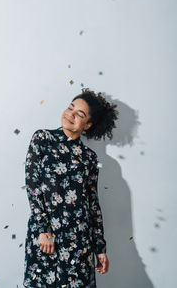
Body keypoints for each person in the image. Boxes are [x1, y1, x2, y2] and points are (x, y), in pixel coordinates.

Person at [23, 88, 119, 288]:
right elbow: (33, 187)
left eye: (80, 114)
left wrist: (99, 248)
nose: (71, 114)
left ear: (88, 124)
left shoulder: (90, 158)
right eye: (70, 107)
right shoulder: (42, 139)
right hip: (46, 238)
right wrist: (43, 229)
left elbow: (92, 204)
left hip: (80, 243)